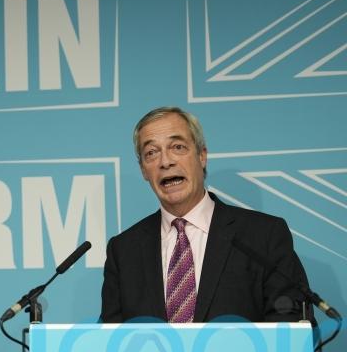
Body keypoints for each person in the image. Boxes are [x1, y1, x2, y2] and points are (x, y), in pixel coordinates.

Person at [100, 106, 314, 323]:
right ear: (143, 170)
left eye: (177, 147)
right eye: (151, 153)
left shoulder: (263, 236)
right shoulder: (124, 251)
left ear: (202, 156)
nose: (165, 162)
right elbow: (110, 337)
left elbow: (291, 323)